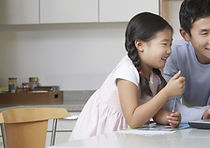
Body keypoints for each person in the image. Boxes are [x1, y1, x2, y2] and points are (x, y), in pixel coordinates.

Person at [70, 12, 185, 140]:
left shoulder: (155, 75)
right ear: (140, 45)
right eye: (164, 44)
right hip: (102, 135)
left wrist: (168, 117)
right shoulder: (127, 71)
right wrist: (167, 92)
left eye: (170, 44)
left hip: (126, 135)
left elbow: (156, 112)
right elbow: (133, 119)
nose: (169, 50)